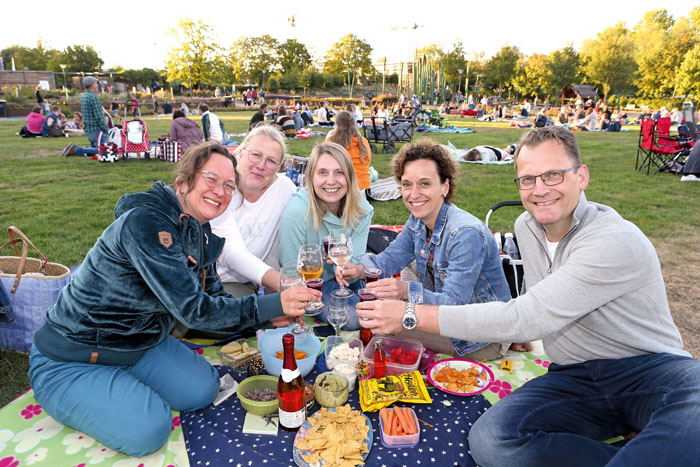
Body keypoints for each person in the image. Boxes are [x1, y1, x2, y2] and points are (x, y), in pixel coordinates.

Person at [355, 126, 700, 466]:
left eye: (552, 175)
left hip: (649, 370)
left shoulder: (612, 240)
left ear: (581, 177)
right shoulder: (526, 227)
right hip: (575, 376)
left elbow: (522, 316)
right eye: (527, 179)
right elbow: (533, 310)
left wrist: (407, 312)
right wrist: (519, 330)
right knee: (489, 440)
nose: (539, 189)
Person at [27, 142, 318, 457]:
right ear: (183, 182)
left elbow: (215, 299)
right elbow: (194, 310)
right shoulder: (145, 223)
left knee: (203, 390)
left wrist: (266, 316)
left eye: (228, 186)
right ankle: (74, 389)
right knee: (149, 431)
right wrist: (275, 302)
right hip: (75, 356)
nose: (220, 192)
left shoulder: (198, 232)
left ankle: (124, 384)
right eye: (211, 180)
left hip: (140, 344)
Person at [338, 140, 523, 359]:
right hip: (451, 321)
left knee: (384, 323)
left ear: (445, 186)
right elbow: (391, 258)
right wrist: (358, 270)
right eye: (407, 184)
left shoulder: (465, 233)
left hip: (479, 337)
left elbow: (453, 307)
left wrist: (405, 292)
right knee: (386, 307)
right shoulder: (418, 221)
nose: (413, 194)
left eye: (424, 184)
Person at [279, 142, 374, 330]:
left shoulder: (362, 211)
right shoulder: (298, 210)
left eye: (339, 172)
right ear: (311, 177)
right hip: (309, 285)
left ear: (349, 176)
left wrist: (349, 269)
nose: (331, 181)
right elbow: (289, 266)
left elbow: (354, 265)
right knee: (354, 317)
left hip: (344, 282)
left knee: (383, 305)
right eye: (322, 172)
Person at [210, 125, 296, 298]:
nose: (261, 165)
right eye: (256, 155)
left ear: (279, 167)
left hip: (237, 283)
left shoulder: (285, 191)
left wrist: (277, 301)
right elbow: (230, 252)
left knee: (231, 317)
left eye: (271, 161)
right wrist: (284, 284)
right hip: (197, 277)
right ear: (240, 152)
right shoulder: (220, 187)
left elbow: (275, 248)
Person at [61, 77, 110, 157]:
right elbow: (99, 116)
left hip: (89, 129)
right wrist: (105, 129)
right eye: (96, 83)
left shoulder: (84, 96)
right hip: (96, 129)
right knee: (104, 150)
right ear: (92, 85)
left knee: (94, 148)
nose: (97, 85)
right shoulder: (93, 97)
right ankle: (76, 149)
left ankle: (75, 149)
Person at [325, 110, 372, 191]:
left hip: (343, 188)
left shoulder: (331, 142)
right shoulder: (363, 141)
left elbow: (324, 164)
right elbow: (368, 162)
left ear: (337, 124)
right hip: (364, 187)